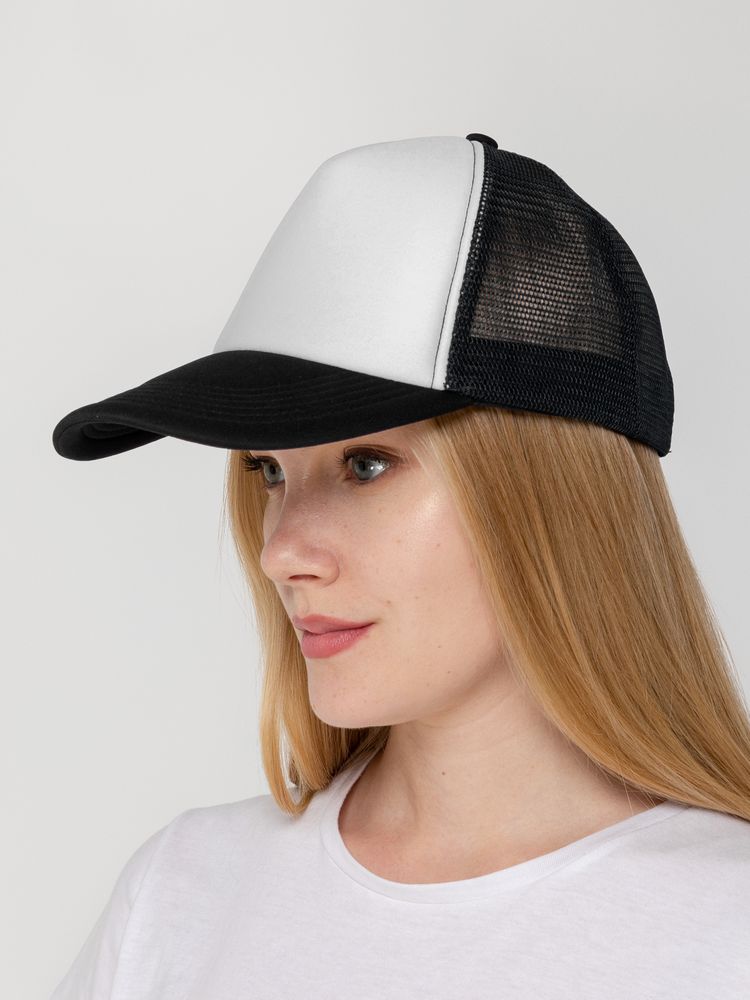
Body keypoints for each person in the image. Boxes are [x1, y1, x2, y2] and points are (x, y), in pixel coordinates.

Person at [50, 133, 750, 998]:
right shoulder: (181, 894)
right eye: (268, 472)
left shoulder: (726, 930)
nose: (280, 552)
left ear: (552, 496)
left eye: (366, 464)